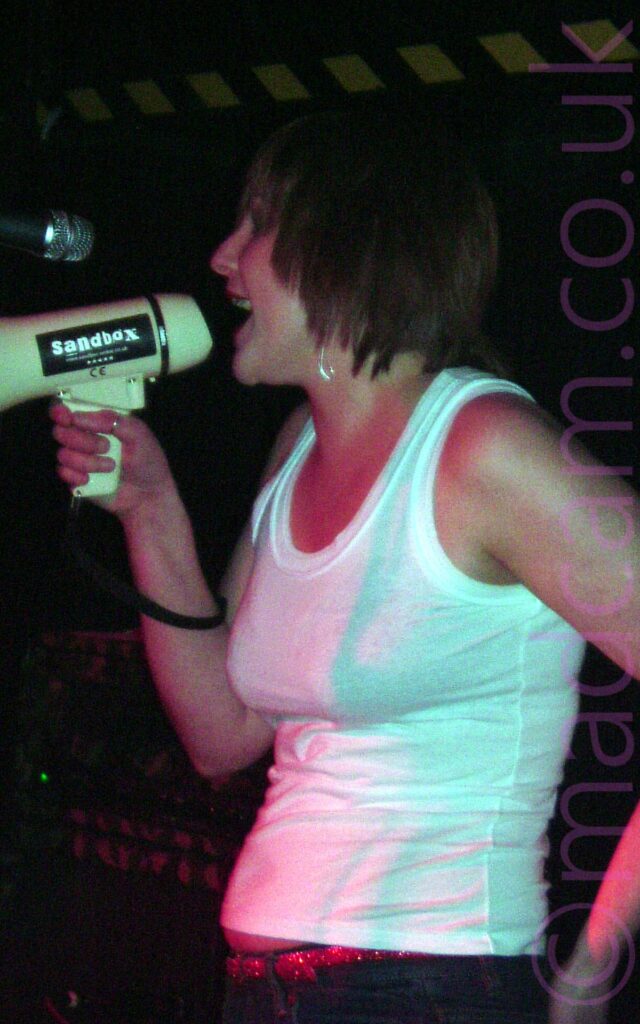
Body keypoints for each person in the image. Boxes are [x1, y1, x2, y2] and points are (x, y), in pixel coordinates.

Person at [50, 108, 639, 1024]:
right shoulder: (297, 448)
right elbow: (222, 735)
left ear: (347, 246)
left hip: (432, 982)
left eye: (256, 225)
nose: (222, 257)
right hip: (263, 985)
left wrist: (594, 973)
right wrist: (150, 510)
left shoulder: (485, 449)